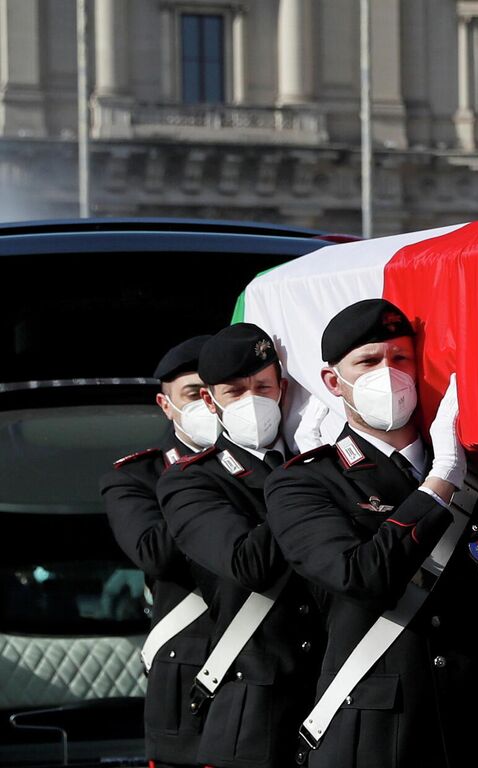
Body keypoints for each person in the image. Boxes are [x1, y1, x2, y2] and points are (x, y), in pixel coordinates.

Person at [263, 299, 478, 767]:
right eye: (368, 362)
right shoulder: (305, 482)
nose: (388, 375)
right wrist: (441, 478)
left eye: (400, 359)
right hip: (380, 737)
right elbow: (362, 576)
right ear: (333, 381)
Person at [156, 323, 323, 768]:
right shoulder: (190, 481)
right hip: (253, 722)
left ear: (282, 389)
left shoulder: (321, 462)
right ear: (211, 401)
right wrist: (305, 479)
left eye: (263, 387)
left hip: (333, 703)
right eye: (235, 391)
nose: (253, 401)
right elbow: (250, 563)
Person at [100, 335, 217, 768]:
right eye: (192, 394)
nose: (207, 404)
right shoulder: (137, 478)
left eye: (213, 392)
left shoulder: (268, 468)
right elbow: (155, 554)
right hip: (190, 685)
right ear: (166, 405)